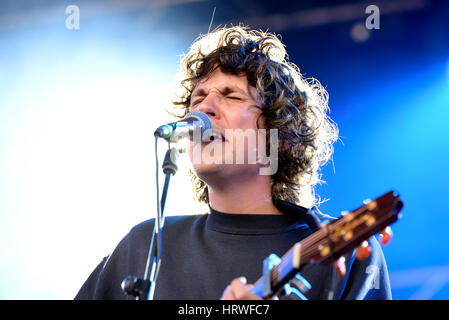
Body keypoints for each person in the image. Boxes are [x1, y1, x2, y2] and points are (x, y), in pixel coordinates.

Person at [75, 25, 391, 300]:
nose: (204, 109)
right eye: (197, 99)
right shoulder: (143, 248)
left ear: (278, 138)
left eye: (232, 96)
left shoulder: (343, 253)